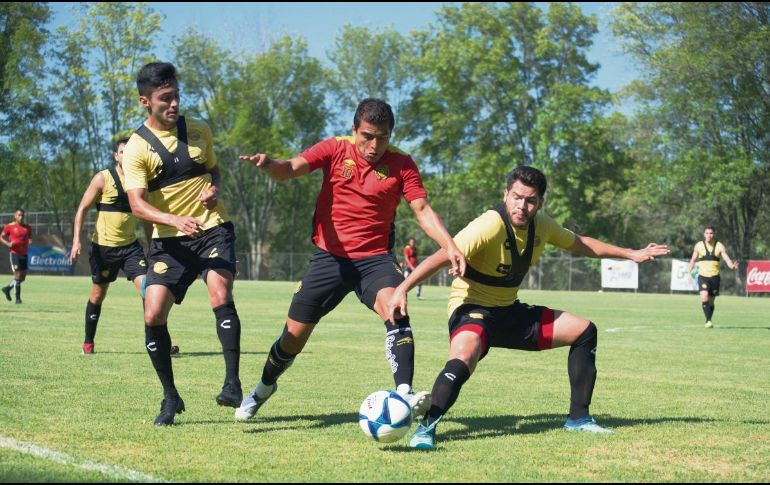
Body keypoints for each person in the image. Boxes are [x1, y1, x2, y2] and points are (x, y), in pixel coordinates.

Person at [387, 166, 670, 449]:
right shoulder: (489, 225)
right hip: (472, 308)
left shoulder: (543, 226)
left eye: (530, 200)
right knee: (465, 355)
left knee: (584, 331)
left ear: (540, 203)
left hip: (509, 311)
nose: (522, 206)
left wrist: (630, 253)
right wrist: (402, 289)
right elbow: (441, 256)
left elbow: (581, 244)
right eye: (517, 197)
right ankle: (426, 429)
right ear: (506, 195)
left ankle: (579, 419)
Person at [236, 98, 466, 422]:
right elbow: (289, 168)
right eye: (367, 136)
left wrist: (449, 244)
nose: (374, 146)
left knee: (397, 309)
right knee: (292, 339)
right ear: (354, 129)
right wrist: (268, 164)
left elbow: (422, 209)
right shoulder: (334, 148)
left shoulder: (402, 163)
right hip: (329, 259)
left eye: (382, 138)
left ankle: (403, 394)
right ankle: (263, 388)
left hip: (375, 261)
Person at [122, 62, 242, 426]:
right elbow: (136, 204)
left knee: (219, 290)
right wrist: (174, 220)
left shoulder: (199, 130)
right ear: (145, 101)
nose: (174, 104)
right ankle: (171, 397)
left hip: (212, 230)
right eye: (165, 98)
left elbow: (215, 170)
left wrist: (214, 189)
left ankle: (232, 384)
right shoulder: (137, 147)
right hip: (169, 242)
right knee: (152, 313)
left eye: (176, 96)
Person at [69, 137, 179, 356]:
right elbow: (82, 209)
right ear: (116, 156)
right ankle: (88, 343)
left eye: (129, 152)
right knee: (98, 295)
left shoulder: (139, 181)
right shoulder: (102, 178)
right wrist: (76, 240)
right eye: (122, 152)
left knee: (148, 291)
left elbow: (146, 216)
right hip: (103, 249)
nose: (125, 155)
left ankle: (159, 344)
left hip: (130, 248)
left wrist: (153, 246)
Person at [687, 225, 738, 328]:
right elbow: (693, 259)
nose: (709, 235)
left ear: (714, 234)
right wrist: (689, 273)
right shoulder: (699, 245)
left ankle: (708, 319)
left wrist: (732, 266)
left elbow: (726, 258)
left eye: (711, 233)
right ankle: (708, 321)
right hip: (703, 276)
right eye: (707, 233)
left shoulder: (719, 246)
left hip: (715, 277)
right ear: (704, 234)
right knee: (704, 297)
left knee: (711, 302)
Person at [1, 209, 32, 304]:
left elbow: (29, 237)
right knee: (18, 276)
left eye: (22, 215)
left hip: (24, 254)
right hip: (14, 254)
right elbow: (1, 237)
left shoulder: (27, 227)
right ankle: (18, 299)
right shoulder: (10, 226)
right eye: (19, 215)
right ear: (15, 216)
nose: (21, 217)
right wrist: (8, 243)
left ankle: (7, 288)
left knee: (22, 278)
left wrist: (30, 240)